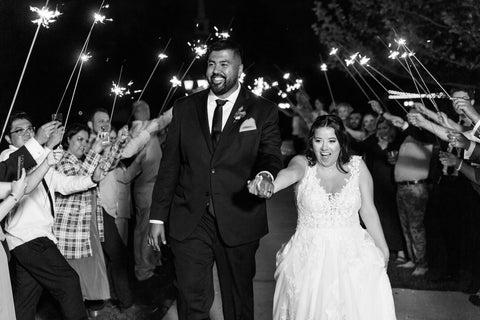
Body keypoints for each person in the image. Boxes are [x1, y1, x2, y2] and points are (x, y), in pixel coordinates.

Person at [148, 39, 283, 320]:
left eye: (224, 64)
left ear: (239, 68)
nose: (215, 70)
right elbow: (170, 165)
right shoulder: (185, 108)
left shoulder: (263, 110)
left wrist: (265, 175)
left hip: (238, 216)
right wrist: (157, 217)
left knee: (238, 299)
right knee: (191, 296)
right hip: (190, 218)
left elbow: (269, 154)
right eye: (211, 64)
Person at [248, 115, 395, 320]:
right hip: (309, 262)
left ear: (341, 142)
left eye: (331, 141)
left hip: (354, 259)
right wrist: (270, 186)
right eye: (318, 141)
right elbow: (289, 174)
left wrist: (384, 249)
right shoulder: (302, 164)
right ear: (312, 142)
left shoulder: (357, 167)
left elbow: (368, 210)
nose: (324, 148)